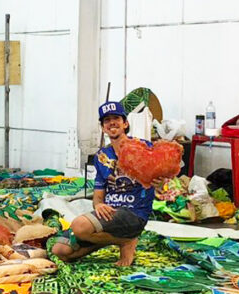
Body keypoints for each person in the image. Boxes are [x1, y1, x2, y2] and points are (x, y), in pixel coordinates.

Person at [51, 101, 158, 267]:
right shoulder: (101, 156)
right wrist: (99, 205)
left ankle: (126, 240)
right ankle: (119, 240)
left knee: (80, 226)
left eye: (116, 118)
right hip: (109, 215)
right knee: (61, 252)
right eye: (106, 120)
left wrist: (161, 179)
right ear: (103, 128)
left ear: (125, 123)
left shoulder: (143, 147)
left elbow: (168, 171)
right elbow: (98, 195)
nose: (112, 123)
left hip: (133, 213)